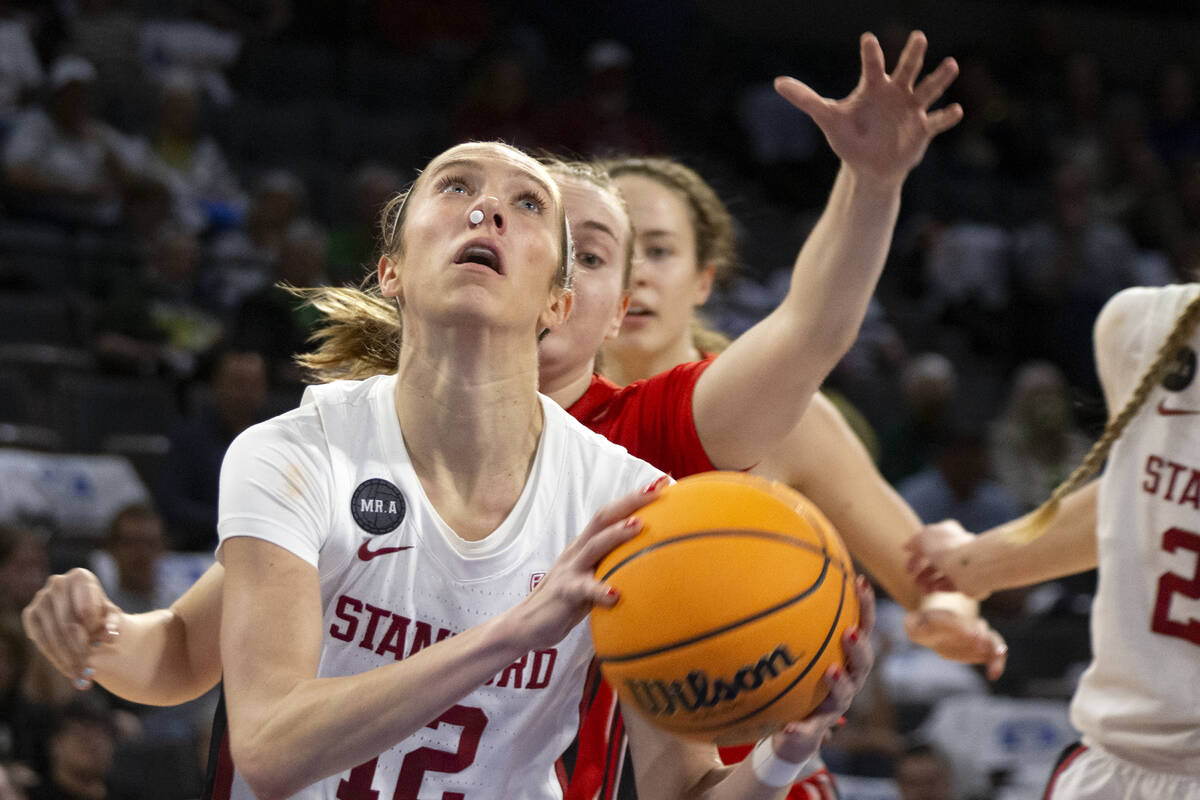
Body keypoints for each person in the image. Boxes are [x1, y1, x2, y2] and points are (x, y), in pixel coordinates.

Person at [905, 282, 1200, 798]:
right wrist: (975, 564)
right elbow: (1137, 496)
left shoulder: (1141, 321)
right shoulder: (1150, 325)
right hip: (1119, 764)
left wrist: (973, 564)